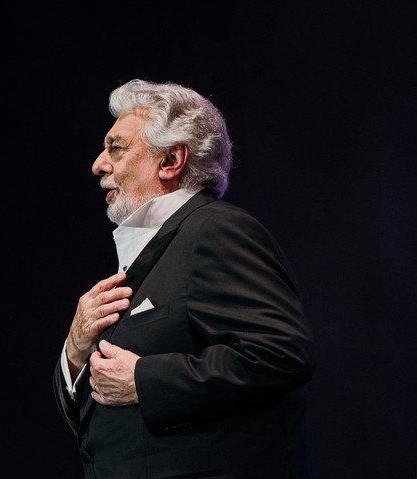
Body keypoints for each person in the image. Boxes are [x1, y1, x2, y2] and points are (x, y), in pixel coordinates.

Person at [53, 79, 317, 479]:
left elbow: (280, 354)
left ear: (171, 160)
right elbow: (98, 415)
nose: (99, 164)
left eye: (116, 148)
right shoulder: (148, 254)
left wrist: (145, 379)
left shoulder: (215, 231)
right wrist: (74, 351)